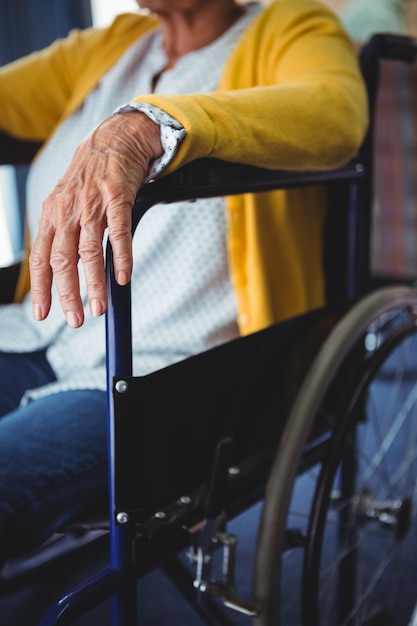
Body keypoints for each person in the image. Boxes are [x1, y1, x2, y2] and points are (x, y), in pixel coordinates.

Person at [0, 0, 367, 563]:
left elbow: (335, 114)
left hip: (169, 369)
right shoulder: (113, 45)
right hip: (37, 333)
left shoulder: (290, 26)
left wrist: (146, 126)